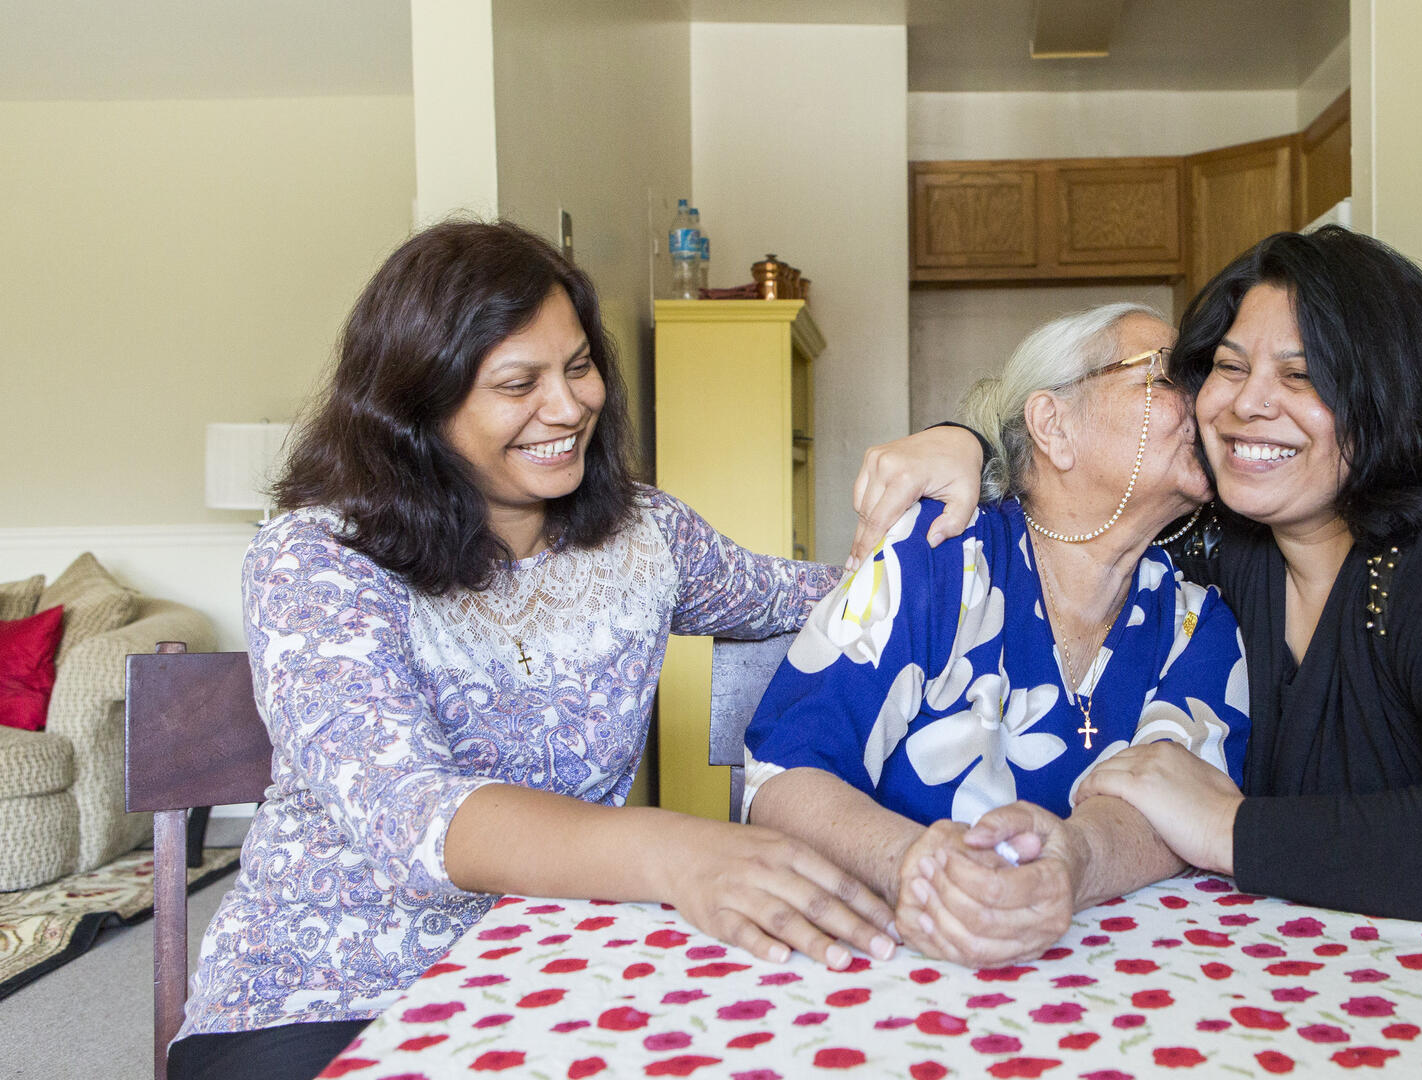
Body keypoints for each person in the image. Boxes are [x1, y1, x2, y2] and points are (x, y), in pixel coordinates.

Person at [847, 227, 1422, 933]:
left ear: (1391, 396)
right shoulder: (1229, 552)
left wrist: (1232, 832)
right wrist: (964, 440)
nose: (1246, 404)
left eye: (1305, 376)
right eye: (1228, 368)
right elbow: (1075, 504)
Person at [169, 221, 895, 1080]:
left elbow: (824, 595)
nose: (569, 407)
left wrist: (949, 463)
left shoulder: (646, 535)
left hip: (564, 967)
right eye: (520, 383)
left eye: (580, 366)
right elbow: (415, 816)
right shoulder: (317, 557)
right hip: (327, 1000)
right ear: (417, 406)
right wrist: (678, 849)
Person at [745, 304, 1250, 967]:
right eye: (1164, 375)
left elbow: (1190, 810)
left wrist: (1076, 861)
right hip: (889, 962)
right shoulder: (937, 558)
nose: (1206, 400)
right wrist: (915, 868)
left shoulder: (1195, 623)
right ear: (1053, 425)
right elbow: (784, 777)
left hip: (1106, 988)